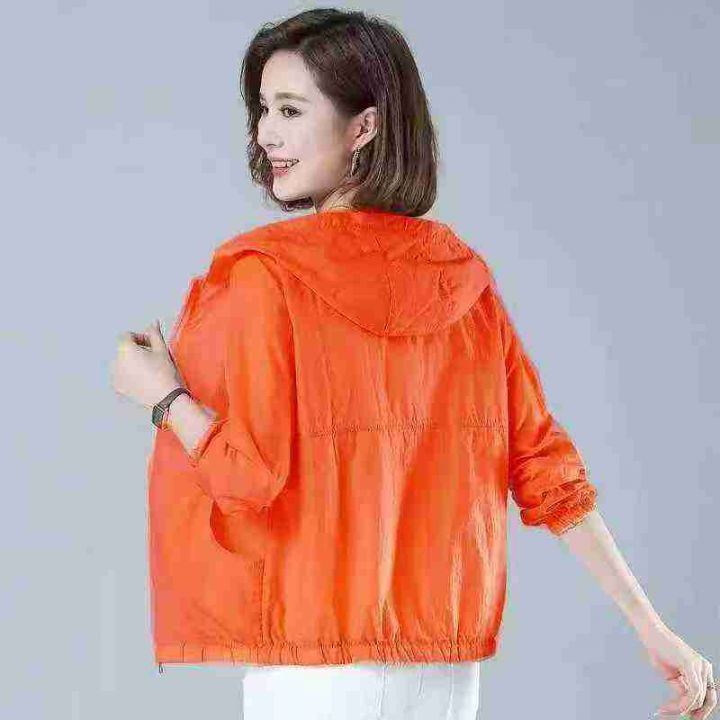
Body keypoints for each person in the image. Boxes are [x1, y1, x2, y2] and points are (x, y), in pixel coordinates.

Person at [111, 8, 716, 720]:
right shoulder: (462, 279)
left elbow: (245, 477)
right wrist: (654, 630)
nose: (266, 133)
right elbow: (546, 469)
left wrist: (163, 397)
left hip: (313, 671)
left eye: (290, 110)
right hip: (443, 673)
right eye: (263, 109)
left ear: (363, 127)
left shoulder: (264, 276)